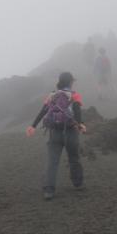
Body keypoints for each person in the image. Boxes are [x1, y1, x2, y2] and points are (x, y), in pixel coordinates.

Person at [26, 72, 86, 200]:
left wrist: (33, 126)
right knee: (73, 158)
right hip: (70, 132)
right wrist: (80, 124)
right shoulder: (74, 95)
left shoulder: (52, 95)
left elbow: (43, 111)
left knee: (52, 161)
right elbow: (77, 111)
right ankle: (78, 184)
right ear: (70, 82)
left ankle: (49, 190)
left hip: (54, 133)